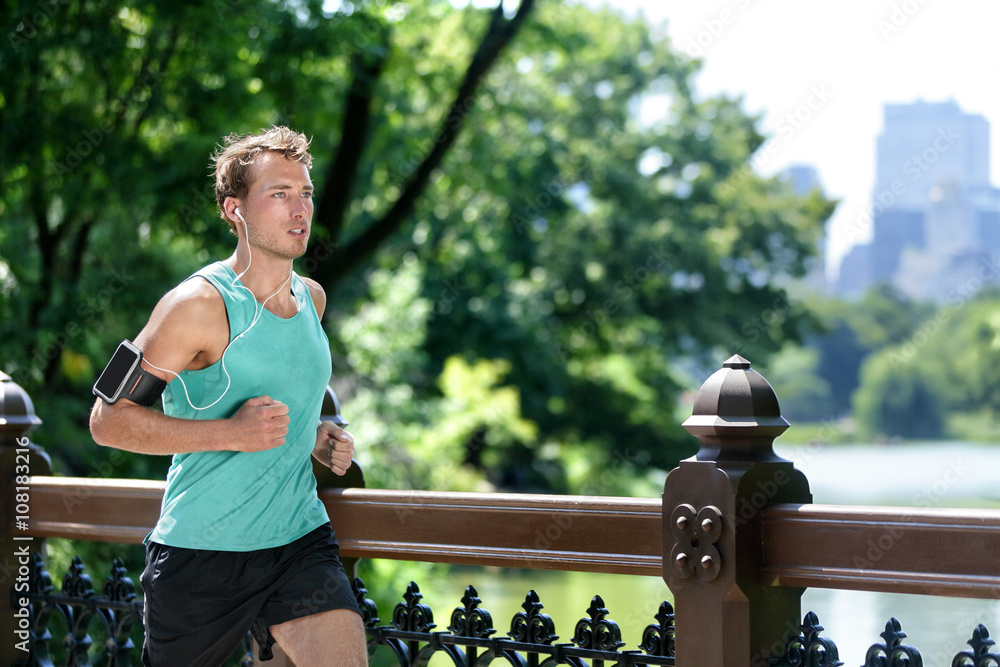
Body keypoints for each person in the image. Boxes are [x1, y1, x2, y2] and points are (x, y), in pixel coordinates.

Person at [89, 126, 368, 666]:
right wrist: (230, 434)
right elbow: (108, 420)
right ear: (234, 209)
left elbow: (277, 403)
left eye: (305, 193)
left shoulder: (312, 298)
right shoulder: (195, 305)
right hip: (202, 556)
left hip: (298, 542)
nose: (299, 210)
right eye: (279, 194)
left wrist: (314, 437)